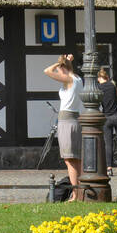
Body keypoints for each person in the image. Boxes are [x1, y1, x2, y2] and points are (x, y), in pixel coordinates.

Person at [43, 52, 83, 200]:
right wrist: (65, 62)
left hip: (66, 121)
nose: (58, 73)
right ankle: (79, 191)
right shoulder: (78, 79)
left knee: (69, 160)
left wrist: (59, 63)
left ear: (63, 68)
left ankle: (75, 194)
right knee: (76, 159)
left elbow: (47, 71)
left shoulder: (68, 79)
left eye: (60, 69)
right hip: (75, 119)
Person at [96, 67, 117, 173]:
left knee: (108, 144)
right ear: (106, 77)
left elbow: (98, 102)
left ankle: (109, 169)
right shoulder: (113, 84)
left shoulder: (98, 87)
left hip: (106, 117)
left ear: (99, 78)